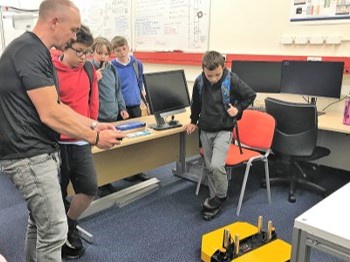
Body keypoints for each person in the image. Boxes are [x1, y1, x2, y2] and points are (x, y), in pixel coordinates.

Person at [0, 1, 124, 261]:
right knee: (56, 230)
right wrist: (96, 138)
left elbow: (57, 106)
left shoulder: (36, 51)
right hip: (28, 155)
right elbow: (51, 113)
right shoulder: (28, 52)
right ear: (54, 22)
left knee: (40, 224)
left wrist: (94, 124)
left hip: (37, 151)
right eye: (73, 29)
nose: (74, 35)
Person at [186, 50, 256, 220]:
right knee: (210, 168)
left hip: (224, 130)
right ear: (203, 69)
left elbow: (250, 95)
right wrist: (193, 121)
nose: (213, 79)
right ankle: (213, 199)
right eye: (209, 75)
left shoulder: (230, 79)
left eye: (216, 74)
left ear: (223, 67)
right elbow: (196, 104)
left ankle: (221, 196)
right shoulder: (200, 81)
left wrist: (237, 109)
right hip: (205, 129)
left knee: (217, 165)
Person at [52, 25, 99, 259]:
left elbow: (93, 102)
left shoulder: (89, 68)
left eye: (87, 52)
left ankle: (69, 225)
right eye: (79, 52)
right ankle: (58, 235)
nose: (84, 57)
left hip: (81, 141)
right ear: (65, 46)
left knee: (89, 189)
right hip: (56, 144)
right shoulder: (50, 71)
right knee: (56, 195)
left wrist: (92, 130)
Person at [111, 35, 149, 182]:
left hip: (135, 106)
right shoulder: (112, 67)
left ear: (128, 47)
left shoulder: (136, 63)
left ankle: (138, 169)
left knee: (138, 138)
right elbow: (114, 89)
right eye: (118, 50)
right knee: (123, 140)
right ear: (114, 52)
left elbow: (140, 83)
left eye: (124, 48)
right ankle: (124, 171)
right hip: (121, 108)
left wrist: (145, 102)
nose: (122, 52)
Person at [91, 37, 129, 122]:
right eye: (100, 53)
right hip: (97, 119)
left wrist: (122, 108)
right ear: (93, 52)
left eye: (106, 54)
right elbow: (83, 92)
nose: (103, 57)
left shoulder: (112, 69)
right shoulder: (88, 68)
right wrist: (94, 79)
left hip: (113, 117)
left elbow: (117, 91)